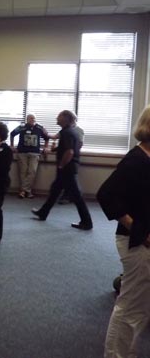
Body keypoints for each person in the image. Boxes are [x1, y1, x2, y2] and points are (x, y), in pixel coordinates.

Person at [97, 105, 150, 358]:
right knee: (130, 307)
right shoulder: (136, 159)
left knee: (141, 307)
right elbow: (106, 195)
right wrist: (138, 229)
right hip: (137, 243)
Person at [31, 110, 93, 230]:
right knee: (55, 191)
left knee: (77, 196)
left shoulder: (68, 132)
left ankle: (87, 222)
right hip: (67, 169)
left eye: (59, 116)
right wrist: (53, 150)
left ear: (65, 119)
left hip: (67, 169)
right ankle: (43, 212)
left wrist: (61, 165)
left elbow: (69, 152)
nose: (56, 118)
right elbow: (64, 147)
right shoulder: (68, 131)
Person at [10, 114, 50, 198]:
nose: (33, 120)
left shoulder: (39, 128)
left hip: (35, 153)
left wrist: (46, 147)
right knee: (23, 172)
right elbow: (12, 134)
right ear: (27, 119)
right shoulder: (22, 127)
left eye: (34, 118)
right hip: (22, 152)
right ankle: (28, 192)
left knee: (32, 172)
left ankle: (23, 190)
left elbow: (47, 137)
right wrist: (12, 145)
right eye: (31, 118)